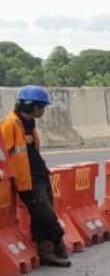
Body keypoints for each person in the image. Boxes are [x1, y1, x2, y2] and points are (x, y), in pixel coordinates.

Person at [1, 86, 70, 266]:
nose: (43, 111)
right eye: (41, 107)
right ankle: (57, 240)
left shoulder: (30, 125)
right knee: (45, 213)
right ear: (31, 106)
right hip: (27, 180)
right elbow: (3, 152)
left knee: (41, 216)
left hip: (40, 175)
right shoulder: (11, 124)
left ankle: (46, 252)